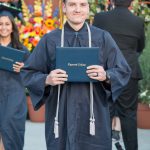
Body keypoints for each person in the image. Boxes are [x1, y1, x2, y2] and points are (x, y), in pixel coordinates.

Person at [21, 0, 131, 149]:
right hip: (60, 116)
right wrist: (47, 79)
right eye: (72, 4)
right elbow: (28, 72)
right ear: (64, 8)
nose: (77, 9)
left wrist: (106, 75)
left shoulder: (103, 38)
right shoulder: (50, 40)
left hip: (94, 115)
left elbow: (123, 70)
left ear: (88, 8)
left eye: (82, 4)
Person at [93, 0, 145, 149]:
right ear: (131, 2)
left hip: (105, 71)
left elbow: (93, 41)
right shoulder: (137, 21)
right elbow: (140, 46)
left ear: (112, 1)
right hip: (129, 71)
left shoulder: (100, 17)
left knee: (103, 113)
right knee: (129, 115)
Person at [0, 4, 29, 150]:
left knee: (9, 130)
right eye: (0, 24)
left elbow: (33, 74)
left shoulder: (21, 50)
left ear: (12, 27)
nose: (3, 27)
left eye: (7, 24)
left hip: (14, 98)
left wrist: (23, 68)